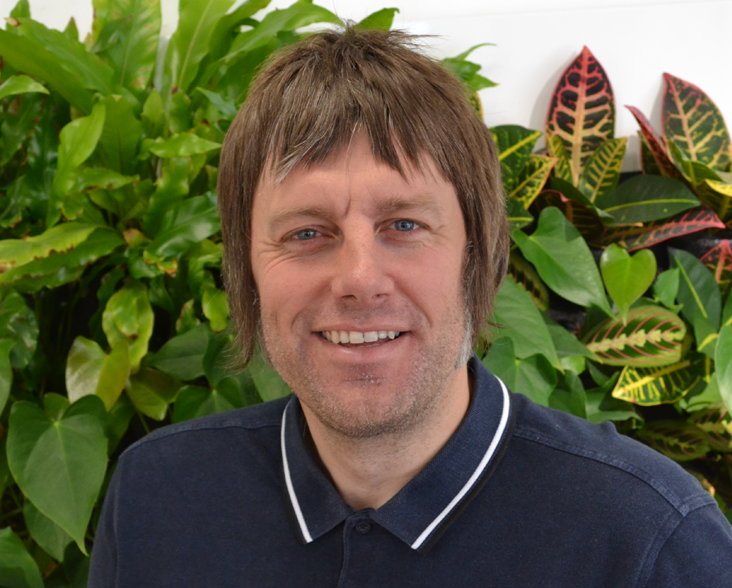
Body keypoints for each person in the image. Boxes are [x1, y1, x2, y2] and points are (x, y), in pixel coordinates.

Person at [89, 26, 732, 587]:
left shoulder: (651, 540)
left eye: (403, 225)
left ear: (479, 256)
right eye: (306, 233)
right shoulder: (156, 496)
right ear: (246, 272)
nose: (359, 280)